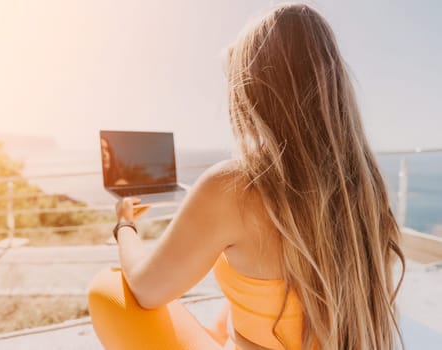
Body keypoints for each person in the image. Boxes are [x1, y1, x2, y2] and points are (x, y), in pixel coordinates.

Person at [87, 3, 405, 349]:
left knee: (106, 287)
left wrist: (125, 226)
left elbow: (146, 288)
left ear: (251, 92)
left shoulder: (235, 187)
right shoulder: (366, 190)